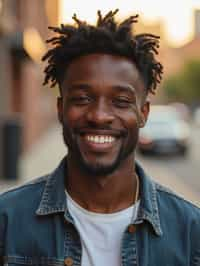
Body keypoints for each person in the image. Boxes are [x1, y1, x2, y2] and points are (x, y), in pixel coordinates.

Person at [0, 10, 200, 266]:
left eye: (121, 101)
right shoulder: (7, 221)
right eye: (83, 99)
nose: (99, 116)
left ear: (143, 113)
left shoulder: (190, 232)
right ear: (60, 109)